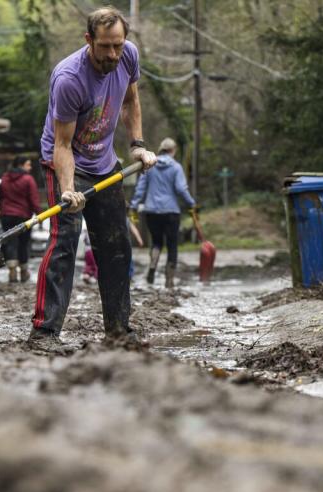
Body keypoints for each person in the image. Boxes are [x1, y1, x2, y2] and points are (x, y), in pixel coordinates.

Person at [29, 5, 157, 350]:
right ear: (89, 40)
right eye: (105, 47)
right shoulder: (69, 78)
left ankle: (118, 330)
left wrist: (138, 146)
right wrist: (68, 189)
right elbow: (62, 143)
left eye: (118, 45)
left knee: (116, 246)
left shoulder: (128, 56)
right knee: (64, 245)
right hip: (65, 162)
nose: (113, 54)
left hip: (105, 162)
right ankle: (44, 333)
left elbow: (131, 101)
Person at [129, 137, 195, 287]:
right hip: (171, 212)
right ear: (173, 150)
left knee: (157, 242)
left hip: (151, 211)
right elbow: (181, 189)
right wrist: (192, 203)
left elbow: (141, 188)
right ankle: (169, 280)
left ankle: (153, 264)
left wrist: (134, 204)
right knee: (172, 245)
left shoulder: (150, 165)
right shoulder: (176, 167)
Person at [0, 155, 41, 283]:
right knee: (23, 243)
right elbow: (34, 199)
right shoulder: (28, 179)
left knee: (10, 242)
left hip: (7, 216)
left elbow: (1, 198)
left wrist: (2, 212)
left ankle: (12, 272)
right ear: (21, 165)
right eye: (28, 164)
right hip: (23, 216)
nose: (30, 167)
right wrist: (39, 214)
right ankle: (23, 272)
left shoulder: (4, 179)